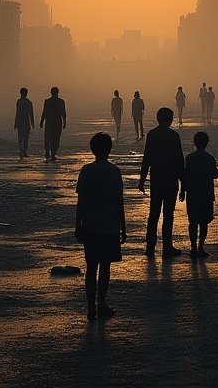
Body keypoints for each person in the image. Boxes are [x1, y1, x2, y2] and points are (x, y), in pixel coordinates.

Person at [74, 132, 127, 320]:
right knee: (105, 268)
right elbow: (118, 201)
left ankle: (90, 306)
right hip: (110, 225)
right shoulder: (114, 172)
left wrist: (77, 224)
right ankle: (101, 303)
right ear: (109, 149)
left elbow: (82, 201)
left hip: (91, 224)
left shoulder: (86, 170)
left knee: (91, 266)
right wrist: (123, 225)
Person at [138, 106, 185, 257]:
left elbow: (147, 158)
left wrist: (142, 179)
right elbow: (179, 160)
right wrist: (183, 184)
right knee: (168, 214)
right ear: (171, 119)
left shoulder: (152, 135)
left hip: (156, 180)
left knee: (154, 213)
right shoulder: (174, 136)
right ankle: (167, 246)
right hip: (171, 180)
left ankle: (150, 246)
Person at [181, 131, 218, 259]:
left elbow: (184, 176)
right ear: (206, 143)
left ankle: (193, 247)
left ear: (194, 143)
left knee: (193, 222)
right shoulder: (210, 158)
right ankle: (200, 247)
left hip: (192, 194)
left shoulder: (189, 158)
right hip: (206, 194)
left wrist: (182, 191)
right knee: (204, 222)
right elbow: (215, 174)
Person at [39, 86, 67, 161]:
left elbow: (44, 112)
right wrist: (64, 122)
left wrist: (42, 121)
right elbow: (63, 113)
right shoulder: (61, 101)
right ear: (58, 92)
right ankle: (53, 153)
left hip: (50, 122)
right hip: (57, 122)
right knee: (56, 138)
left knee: (48, 138)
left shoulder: (48, 101)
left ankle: (49, 151)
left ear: (51, 92)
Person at [14, 88, 35, 158]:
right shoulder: (26, 102)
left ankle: (23, 151)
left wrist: (32, 123)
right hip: (23, 122)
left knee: (23, 138)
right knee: (24, 138)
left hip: (23, 122)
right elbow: (18, 113)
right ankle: (23, 151)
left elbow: (30, 113)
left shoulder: (23, 102)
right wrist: (15, 123)